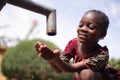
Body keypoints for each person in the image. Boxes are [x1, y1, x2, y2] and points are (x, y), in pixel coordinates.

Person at [35, 10, 120, 80]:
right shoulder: (73, 43)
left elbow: (71, 68)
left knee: (85, 73)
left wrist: (56, 60)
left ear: (102, 34)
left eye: (91, 27)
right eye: (80, 25)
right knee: (82, 73)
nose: (83, 29)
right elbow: (59, 69)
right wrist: (51, 59)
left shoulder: (102, 54)